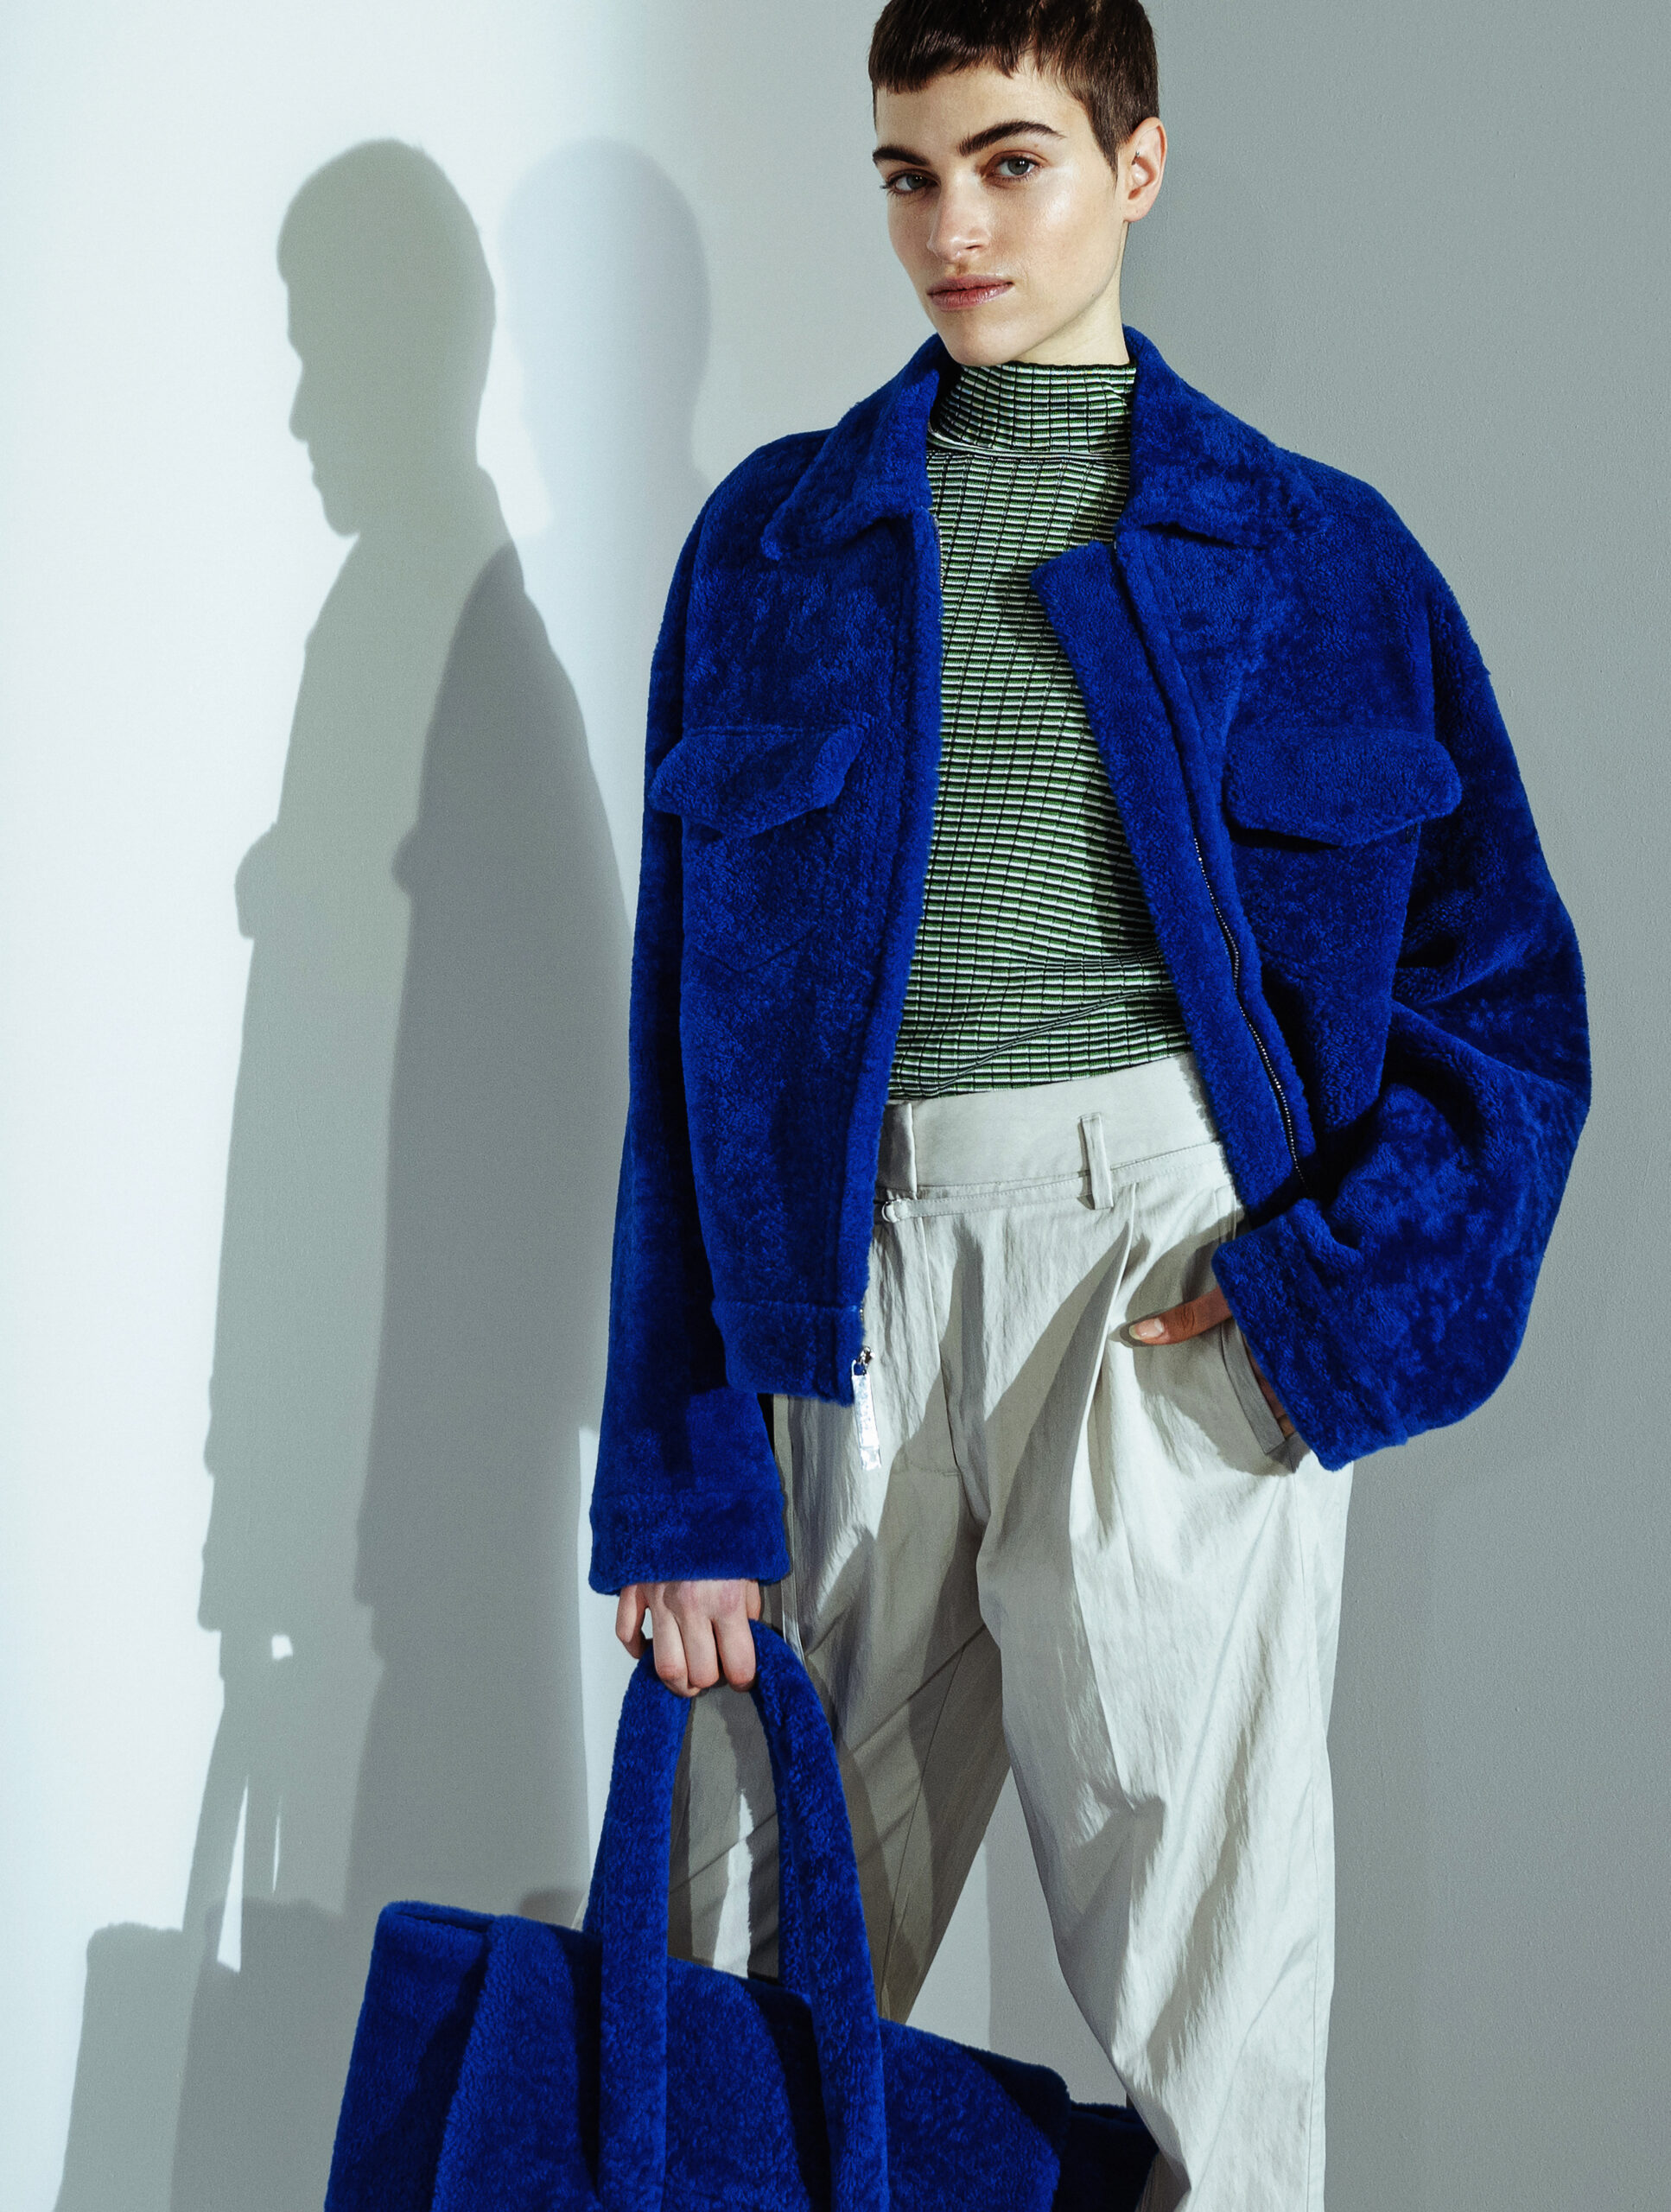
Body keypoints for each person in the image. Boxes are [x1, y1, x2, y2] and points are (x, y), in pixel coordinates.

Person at [588, 3, 1589, 2204]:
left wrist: (1318, 1308)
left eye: (1009, 162)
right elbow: (680, 1049)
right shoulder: (769, 553)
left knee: (1214, 1997)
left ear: (1133, 167)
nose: (952, 225)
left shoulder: (1318, 556)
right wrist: (678, 1474)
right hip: (832, 1300)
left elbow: (1506, 1001)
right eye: (908, 173)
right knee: (721, 1968)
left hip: (1169, 1277)